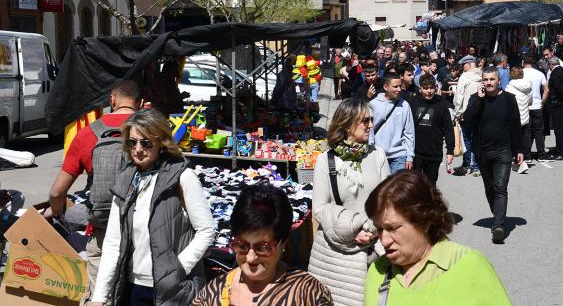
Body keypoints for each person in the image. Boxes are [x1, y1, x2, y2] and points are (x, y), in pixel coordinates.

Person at [90, 109, 216, 306]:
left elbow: (207, 230)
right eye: (132, 142)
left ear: (161, 143)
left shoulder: (183, 177)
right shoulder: (125, 180)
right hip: (133, 287)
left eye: (146, 142)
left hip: (175, 289)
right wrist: (99, 297)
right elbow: (113, 242)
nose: (138, 149)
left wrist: (178, 268)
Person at [47, 80, 142, 304]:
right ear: (140, 104)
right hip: (144, 230)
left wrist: (58, 213)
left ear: (112, 100)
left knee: (101, 293)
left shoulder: (89, 133)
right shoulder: (152, 132)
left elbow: (56, 192)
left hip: (102, 229)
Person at [363, 171, 511, 305]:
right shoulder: (378, 271)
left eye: (393, 228)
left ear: (424, 222)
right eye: (380, 229)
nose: (384, 240)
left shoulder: (470, 266)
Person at [192, 184, 333, 306]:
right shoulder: (213, 292)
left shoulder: (308, 294)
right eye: (242, 246)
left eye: (263, 248)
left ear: (283, 242)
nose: (250, 258)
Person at [308, 99, 389, 305]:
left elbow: (388, 200)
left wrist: (374, 230)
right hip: (340, 253)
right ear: (346, 124)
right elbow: (319, 209)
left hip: (375, 246)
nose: (370, 125)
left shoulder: (377, 155)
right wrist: (353, 230)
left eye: (371, 120)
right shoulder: (325, 161)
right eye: (365, 121)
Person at [462, 67, 524, 243]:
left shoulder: (509, 99)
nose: (489, 83)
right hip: (482, 151)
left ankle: (498, 225)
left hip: (503, 151)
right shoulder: (476, 99)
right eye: (486, 80)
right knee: (490, 188)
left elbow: (515, 125)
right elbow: (468, 119)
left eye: (492, 80)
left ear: (499, 81)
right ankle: (498, 214)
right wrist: (479, 100)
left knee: (500, 188)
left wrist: (519, 149)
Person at [408, 74, 456, 184]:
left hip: (434, 152)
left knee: (430, 186)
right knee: (415, 186)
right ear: (420, 89)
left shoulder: (442, 103)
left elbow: (449, 128)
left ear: (435, 88)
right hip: (415, 152)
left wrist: (450, 150)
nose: (429, 91)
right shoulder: (412, 102)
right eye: (425, 88)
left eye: (431, 88)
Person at [369, 73, 416, 174]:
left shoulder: (405, 105)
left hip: (399, 156)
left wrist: (409, 156)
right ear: (386, 87)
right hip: (378, 154)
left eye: (400, 86)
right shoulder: (374, 104)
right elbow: (369, 130)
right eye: (395, 86)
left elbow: (409, 132)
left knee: (398, 188)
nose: (399, 89)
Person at [452, 55, 483, 176]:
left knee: (466, 139)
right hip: (480, 113)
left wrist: (458, 113)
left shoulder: (464, 77)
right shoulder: (482, 76)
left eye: (463, 65)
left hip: (467, 113)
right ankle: (476, 165)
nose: (462, 67)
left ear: (469, 64)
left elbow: (459, 97)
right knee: (477, 138)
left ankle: (467, 164)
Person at [504, 67, 532, 171]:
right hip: (524, 114)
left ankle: (517, 159)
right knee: (524, 137)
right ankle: (526, 157)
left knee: (513, 138)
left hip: (513, 116)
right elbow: (530, 101)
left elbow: (506, 103)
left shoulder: (509, 87)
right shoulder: (528, 86)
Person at [521, 55, 548, 160]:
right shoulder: (540, 73)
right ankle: (541, 153)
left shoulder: (521, 73)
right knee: (539, 131)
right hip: (537, 105)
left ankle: (527, 155)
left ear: (523, 62)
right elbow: (546, 90)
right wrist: (542, 102)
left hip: (525, 105)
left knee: (526, 131)